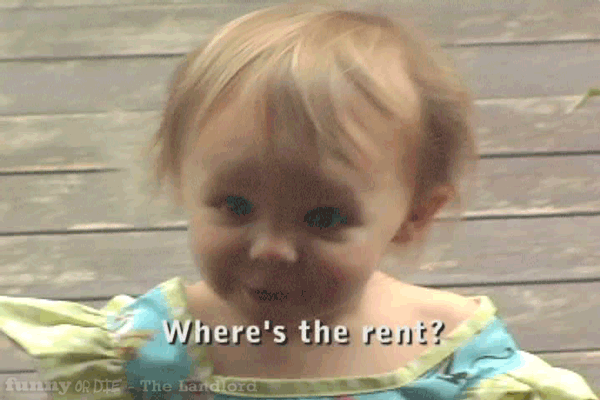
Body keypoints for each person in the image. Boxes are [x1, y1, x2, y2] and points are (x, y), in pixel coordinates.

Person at [0, 2, 597, 399]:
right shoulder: (146, 351)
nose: (271, 248)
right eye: (235, 205)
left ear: (413, 217)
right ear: (183, 182)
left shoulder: (454, 360)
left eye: (324, 217)